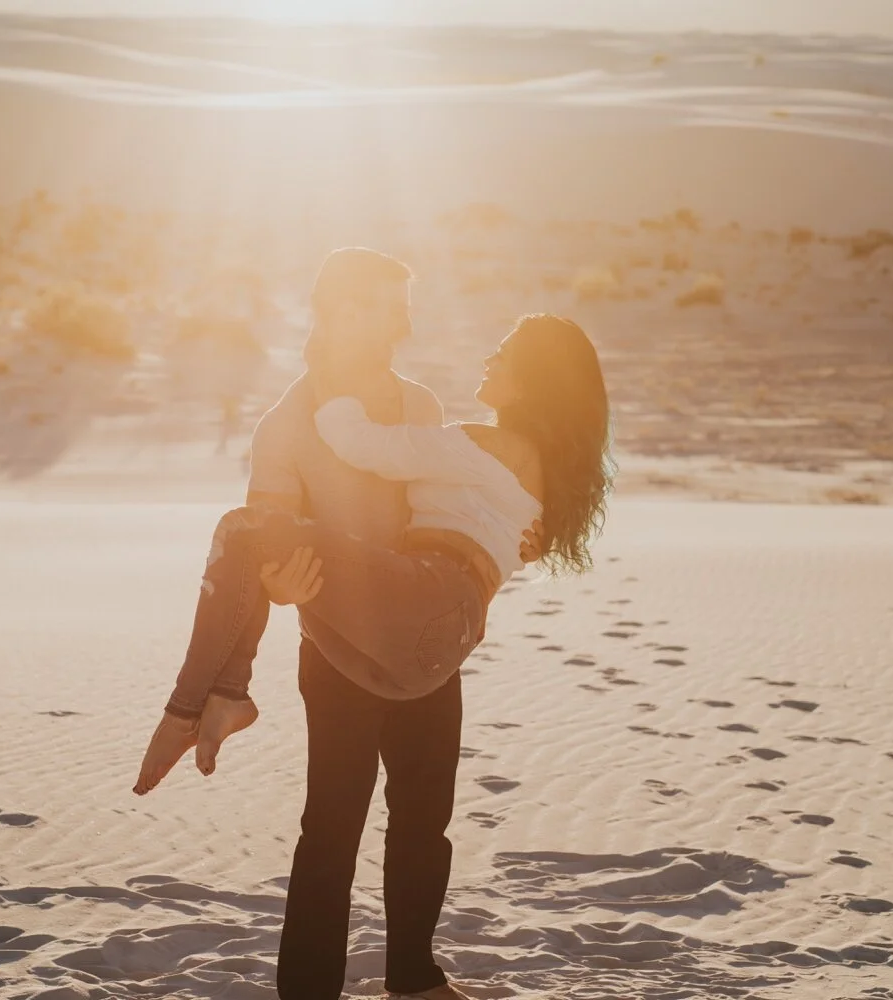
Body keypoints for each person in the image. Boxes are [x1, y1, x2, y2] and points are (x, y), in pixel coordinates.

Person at [133, 249, 614, 1000]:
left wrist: (522, 521)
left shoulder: (421, 405)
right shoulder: (285, 426)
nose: (397, 321)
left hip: (425, 629)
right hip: (339, 648)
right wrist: (278, 584)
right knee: (331, 833)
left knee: (425, 821)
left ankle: (415, 980)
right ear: (332, 311)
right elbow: (273, 531)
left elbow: (461, 498)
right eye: (377, 305)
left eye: (400, 306)